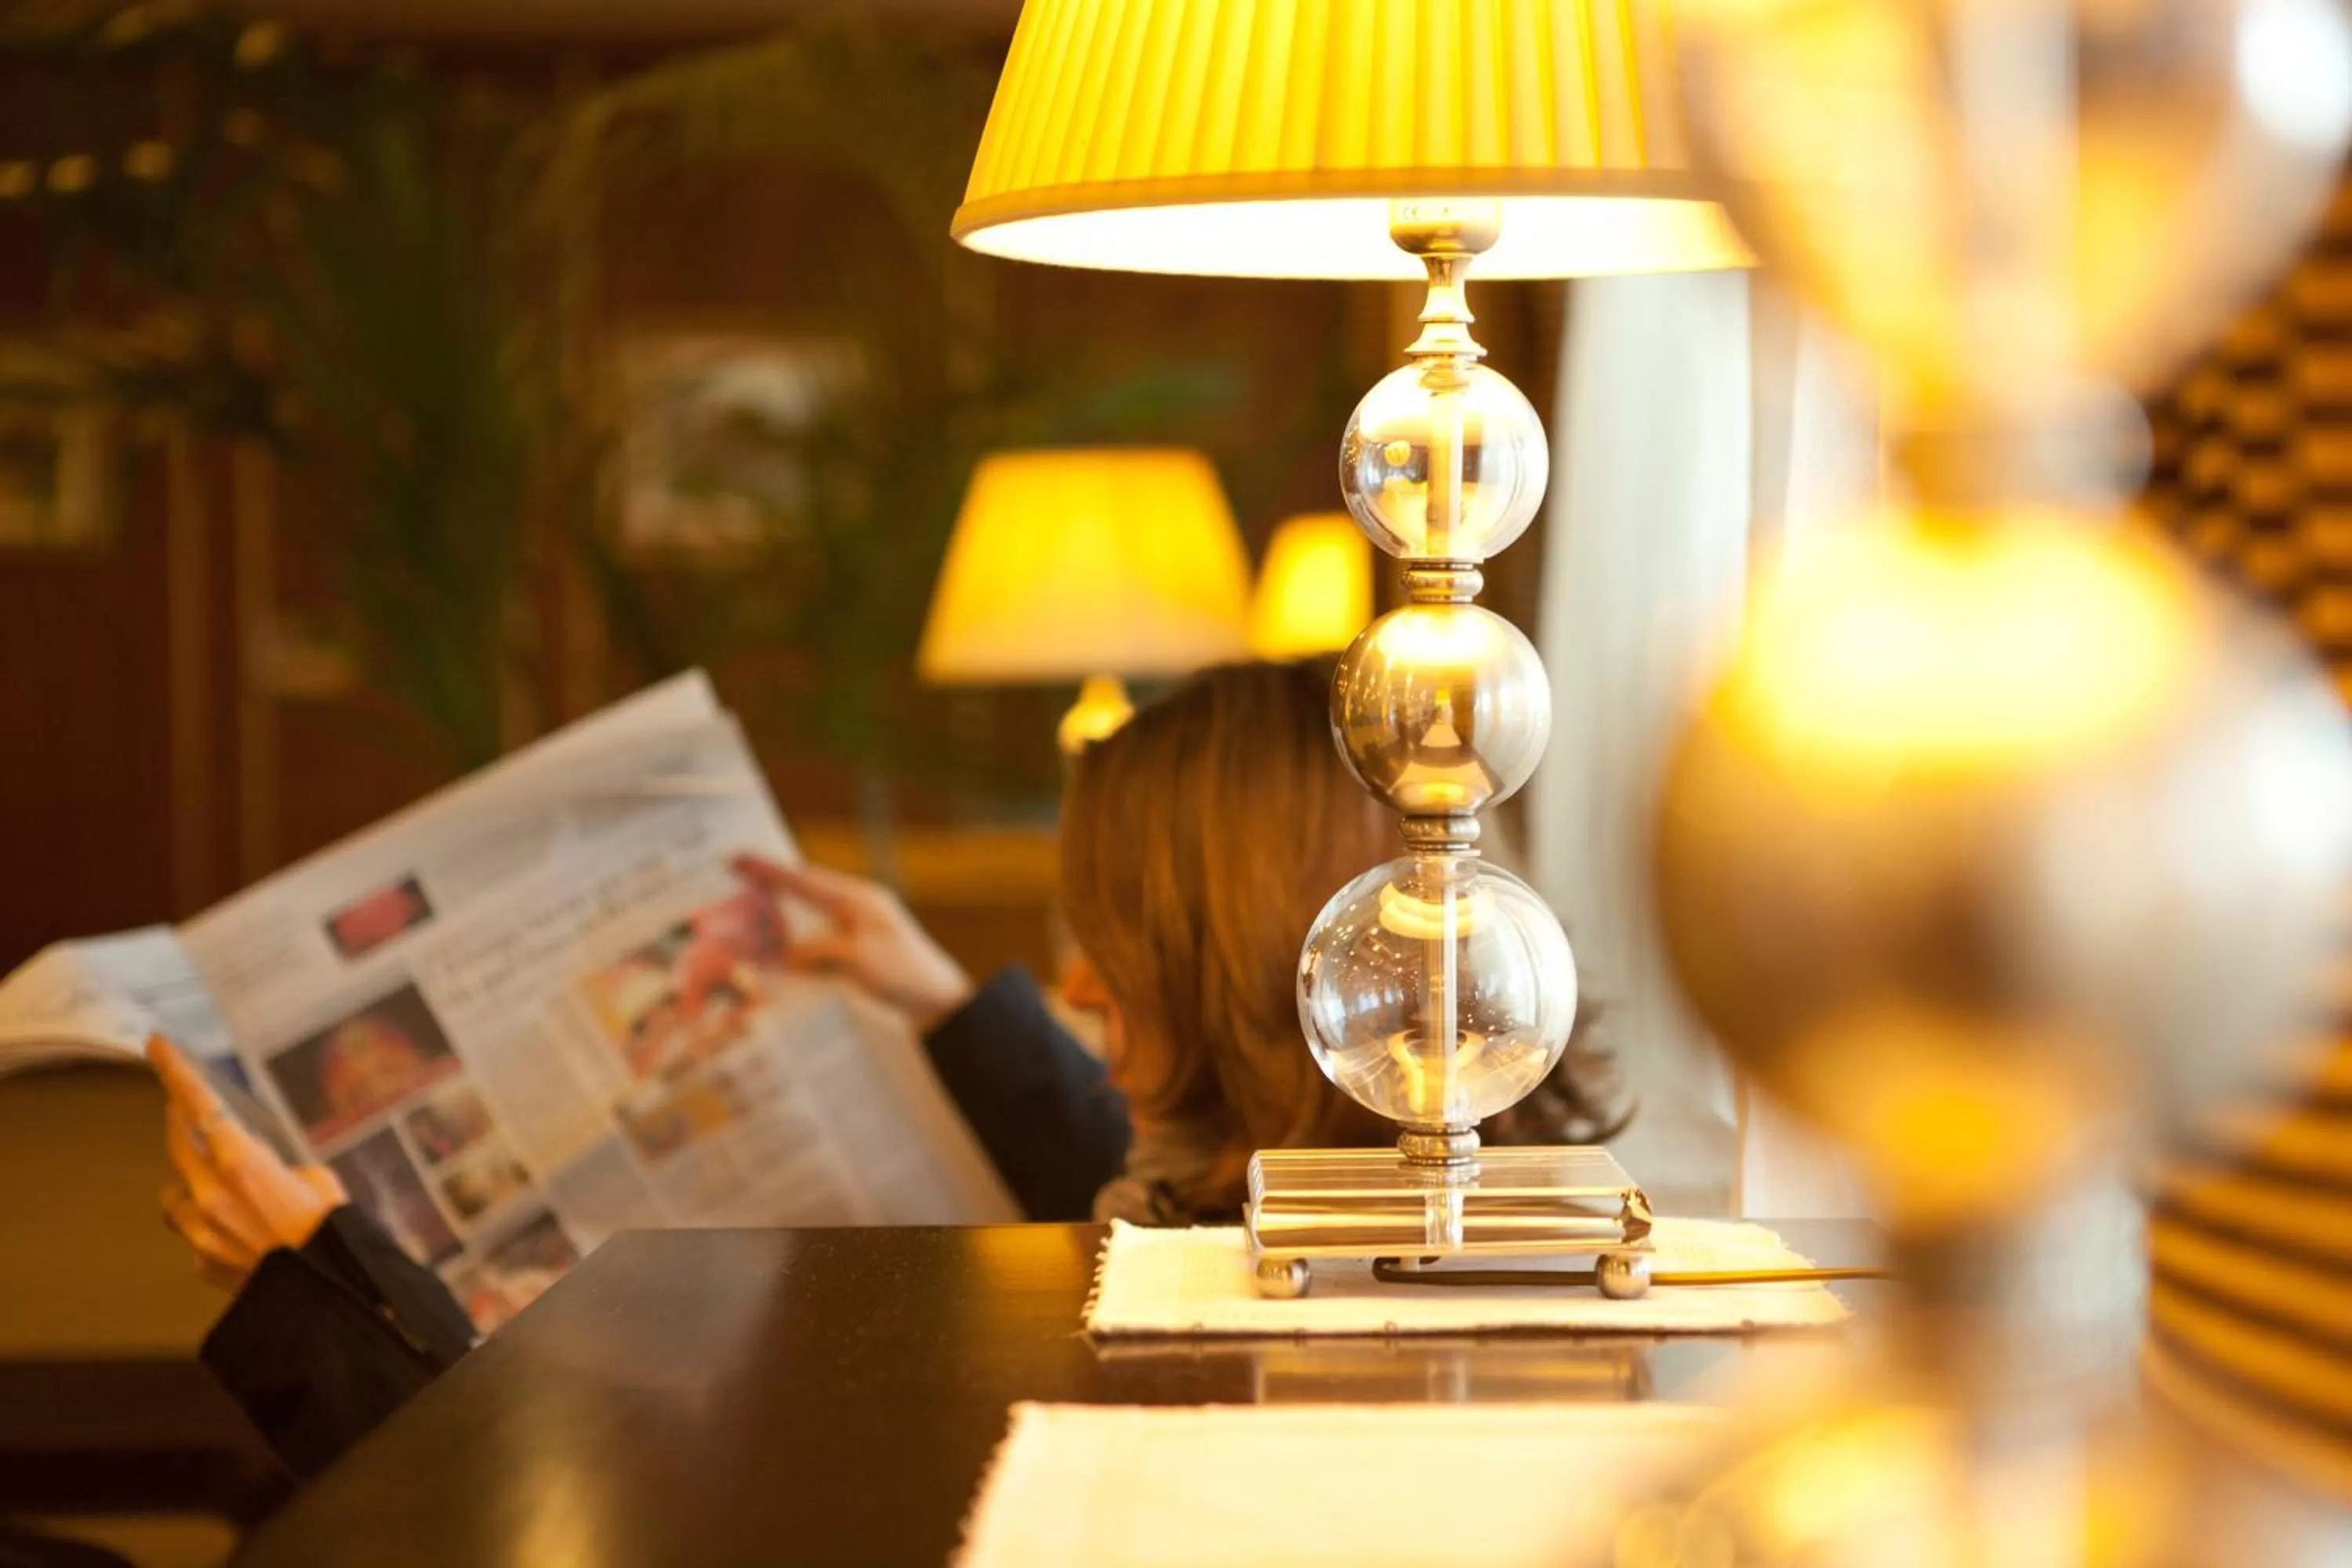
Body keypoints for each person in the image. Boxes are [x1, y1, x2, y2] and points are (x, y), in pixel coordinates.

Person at [158, 659, 1625, 1469]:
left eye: (1112, 947)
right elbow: (1149, 1235)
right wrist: (935, 999)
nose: (1072, 985)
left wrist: (326, 1296)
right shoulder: (1402, 1226)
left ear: (1239, 967)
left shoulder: (1232, 1353)